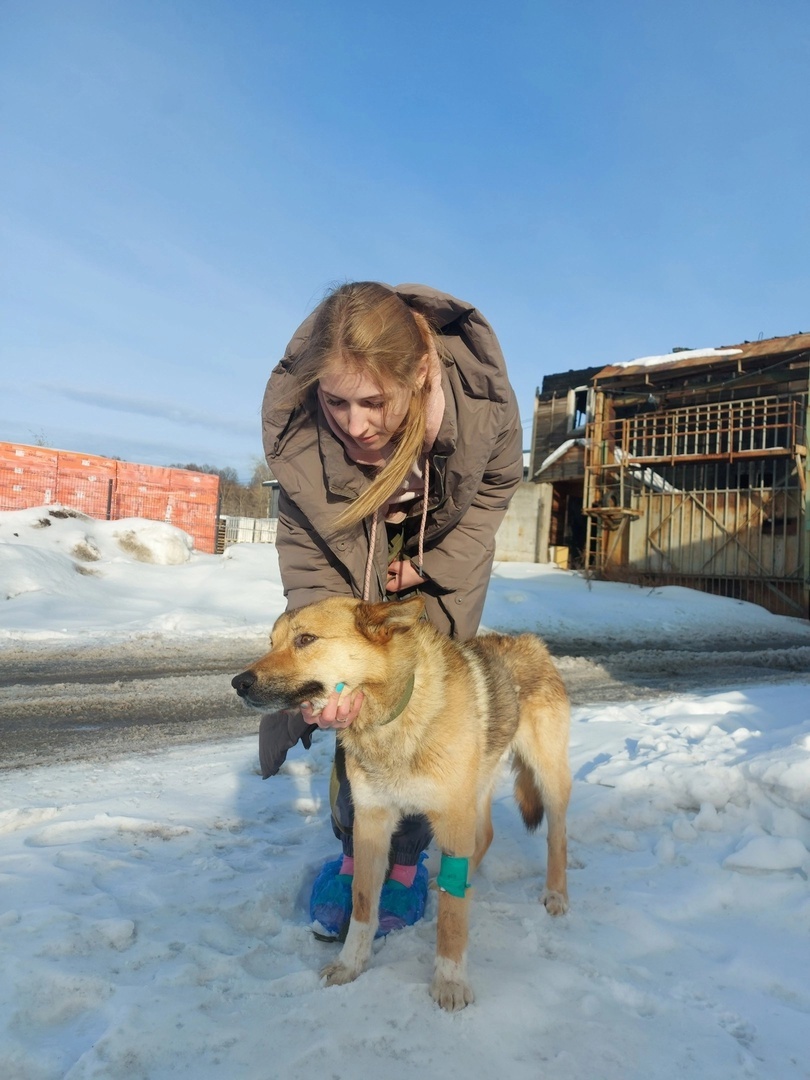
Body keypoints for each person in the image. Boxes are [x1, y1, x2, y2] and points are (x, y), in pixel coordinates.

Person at [258, 281, 523, 939]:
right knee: (355, 712)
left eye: (375, 401)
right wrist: (325, 653)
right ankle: (355, 855)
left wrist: (433, 567)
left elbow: (492, 492)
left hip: (436, 551)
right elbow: (306, 543)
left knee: (423, 716)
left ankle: (404, 866)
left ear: (423, 373)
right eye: (336, 400)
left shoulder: (483, 407)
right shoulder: (300, 432)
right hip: (345, 548)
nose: (354, 423)